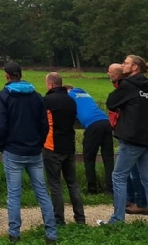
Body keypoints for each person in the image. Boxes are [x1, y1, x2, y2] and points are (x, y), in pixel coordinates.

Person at [0, 61, 57, 244]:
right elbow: (44, 124)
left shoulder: (4, 96)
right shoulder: (37, 96)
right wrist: (39, 143)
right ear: (20, 75)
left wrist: (2, 144)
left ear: (7, 76)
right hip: (34, 151)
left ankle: (14, 233)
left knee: (14, 194)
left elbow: (0, 125)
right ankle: (51, 233)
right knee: (42, 193)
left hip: (13, 150)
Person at [101, 55, 148, 226]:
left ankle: (117, 220)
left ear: (135, 67)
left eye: (126, 63)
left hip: (132, 137)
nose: (122, 66)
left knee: (118, 176)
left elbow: (111, 102)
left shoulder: (128, 85)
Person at [42, 73, 86, 226]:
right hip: (69, 145)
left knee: (55, 184)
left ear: (51, 84)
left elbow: (42, 122)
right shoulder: (71, 100)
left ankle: (59, 219)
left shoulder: (47, 100)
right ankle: (80, 218)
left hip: (52, 146)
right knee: (72, 183)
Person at [108, 63, 148, 214]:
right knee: (131, 171)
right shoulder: (137, 86)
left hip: (131, 134)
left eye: (110, 72)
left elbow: (114, 104)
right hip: (130, 132)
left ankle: (140, 203)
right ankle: (130, 200)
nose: (108, 74)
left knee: (130, 172)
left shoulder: (126, 87)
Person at [66, 83, 114, 195]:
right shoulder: (85, 94)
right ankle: (111, 189)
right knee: (108, 159)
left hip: (93, 125)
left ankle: (92, 189)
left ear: (68, 90)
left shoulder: (70, 95)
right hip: (106, 122)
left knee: (89, 158)